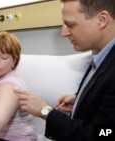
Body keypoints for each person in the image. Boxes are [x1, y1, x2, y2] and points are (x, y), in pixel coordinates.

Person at [14, 0, 115, 141]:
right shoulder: (101, 55)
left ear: (101, 20)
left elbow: (101, 135)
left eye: (70, 24)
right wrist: (81, 99)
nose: (64, 32)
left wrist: (45, 112)